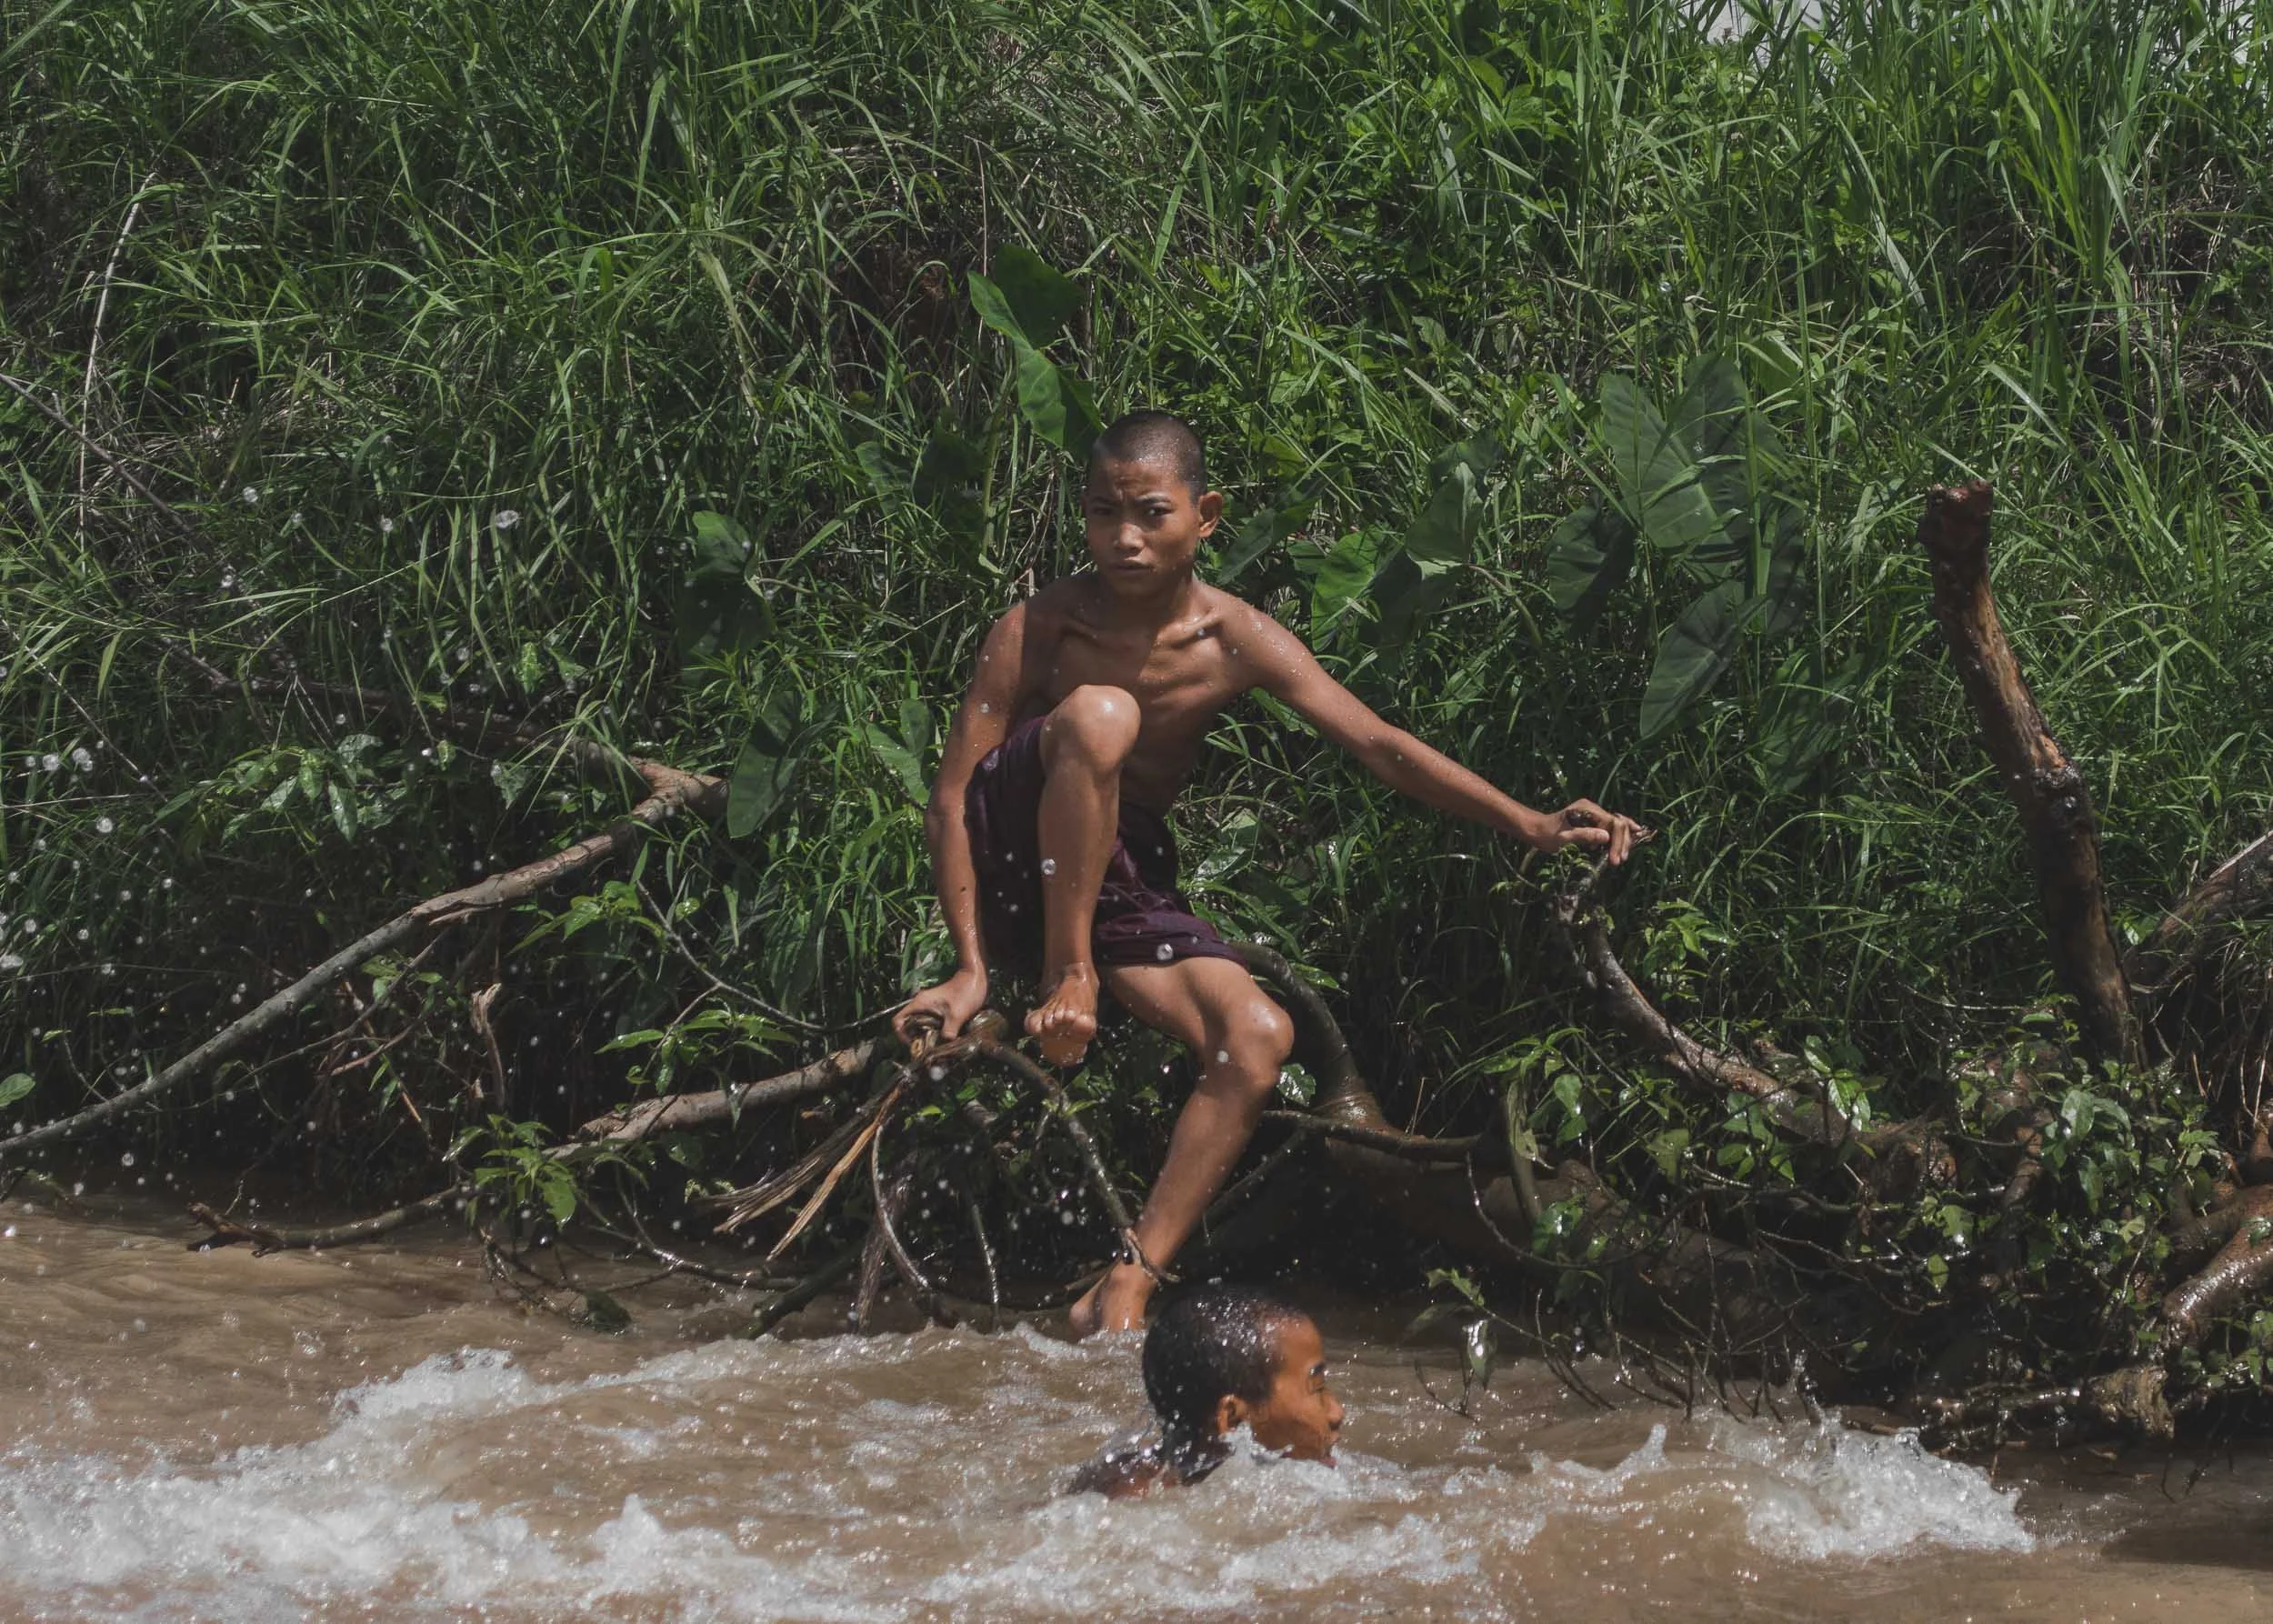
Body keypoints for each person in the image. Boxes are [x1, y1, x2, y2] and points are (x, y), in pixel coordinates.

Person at [893, 408, 1643, 1337]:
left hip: (1115, 876)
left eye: (1151, 513)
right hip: (1018, 854)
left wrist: (1527, 822)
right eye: (1100, 514)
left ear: (1205, 517)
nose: (1122, 538)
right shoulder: (1042, 625)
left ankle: (1130, 1277)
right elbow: (950, 797)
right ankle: (1068, 977)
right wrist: (970, 965)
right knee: (1098, 717)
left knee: (1257, 1032)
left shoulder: (1233, 636)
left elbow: (1377, 742)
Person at [1069, 1286, 1344, 1497]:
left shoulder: (1119, 1476)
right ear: (1233, 1419)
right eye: (1317, 1388)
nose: (1336, 1412)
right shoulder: (1133, 1502)